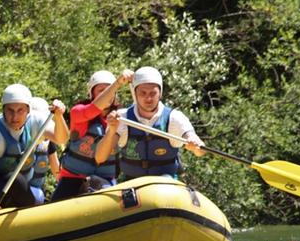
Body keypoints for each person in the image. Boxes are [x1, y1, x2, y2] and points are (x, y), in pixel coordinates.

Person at [0, 84, 68, 221]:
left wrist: (59, 116)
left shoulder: (36, 120)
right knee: (16, 182)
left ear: (28, 110)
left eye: (20, 111)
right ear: (3, 110)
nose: (15, 117)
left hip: (7, 188)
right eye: (10, 110)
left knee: (26, 188)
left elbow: (62, 139)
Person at [97, 66, 205, 179]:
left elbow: (200, 150)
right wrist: (112, 131)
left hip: (166, 184)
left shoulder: (174, 118)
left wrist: (195, 145)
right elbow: (100, 158)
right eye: (143, 93)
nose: (148, 98)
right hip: (132, 183)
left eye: (153, 93)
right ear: (135, 93)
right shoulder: (122, 118)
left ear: (160, 93)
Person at [49, 68, 134, 202]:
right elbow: (93, 109)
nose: (107, 94)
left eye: (109, 90)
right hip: (73, 178)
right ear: (91, 93)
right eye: (101, 90)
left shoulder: (122, 118)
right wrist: (117, 83)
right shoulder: (78, 112)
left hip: (105, 180)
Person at [27, 96, 60, 204]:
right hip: (20, 190)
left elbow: (56, 169)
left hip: (38, 190)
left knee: (39, 196)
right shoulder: (19, 137)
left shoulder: (48, 140)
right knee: (38, 197)